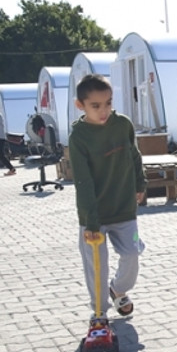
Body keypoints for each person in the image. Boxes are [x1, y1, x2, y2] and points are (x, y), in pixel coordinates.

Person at [70, 74, 146, 318]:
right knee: (96, 267)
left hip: (124, 208)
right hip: (93, 215)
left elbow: (134, 156)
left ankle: (119, 289)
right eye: (96, 106)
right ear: (80, 105)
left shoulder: (122, 124)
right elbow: (83, 181)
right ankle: (100, 312)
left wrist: (140, 183)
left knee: (132, 254)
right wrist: (91, 222)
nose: (104, 111)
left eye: (108, 103)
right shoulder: (79, 136)